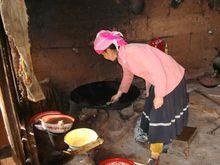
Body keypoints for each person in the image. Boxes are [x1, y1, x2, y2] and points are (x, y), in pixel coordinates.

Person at [93, 30, 188, 165]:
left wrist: (160, 96)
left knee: (159, 115)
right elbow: (128, 74)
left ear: (110, 49)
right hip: (159, 79)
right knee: (150, 105)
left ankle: (155, 155)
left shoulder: (133, 52)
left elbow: (158, 71)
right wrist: (120, 93)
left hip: (171, 78)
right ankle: (148, 133)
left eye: (104, 54)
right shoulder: (122, 56)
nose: (104, 57)